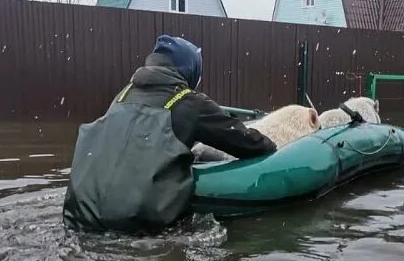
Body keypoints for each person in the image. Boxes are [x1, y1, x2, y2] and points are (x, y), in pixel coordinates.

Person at [63, 35, 276, 232]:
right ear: (190, 71)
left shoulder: (124, 95)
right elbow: (249, 144)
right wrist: (274, 144)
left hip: (81, 216)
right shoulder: (191, 103)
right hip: (136, 224)